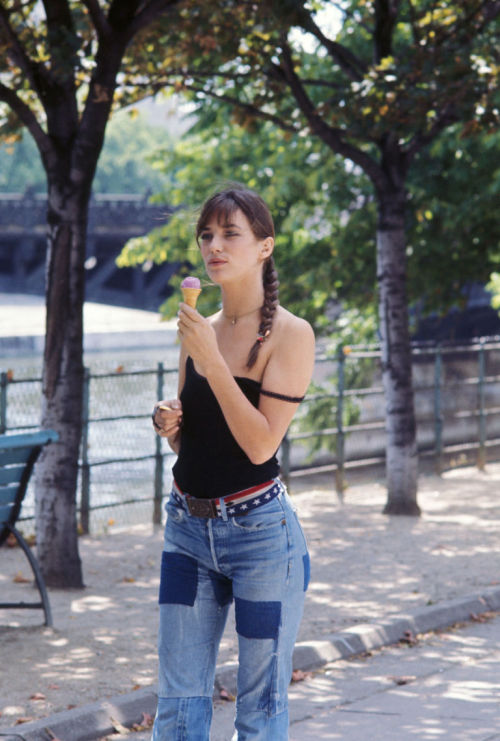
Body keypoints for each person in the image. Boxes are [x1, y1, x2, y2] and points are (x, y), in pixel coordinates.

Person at [151, 185, 315, 740]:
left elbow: (260, 447)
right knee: (177, 703)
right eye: (206, 235)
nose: (213, 246)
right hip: (187, 532)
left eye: (229, 234)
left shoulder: (292, 335)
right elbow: (197, 441)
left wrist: (212, 361)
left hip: (261, 538)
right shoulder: (200, 326)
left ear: (265, 246)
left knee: (260, 705)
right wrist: (171, 423)